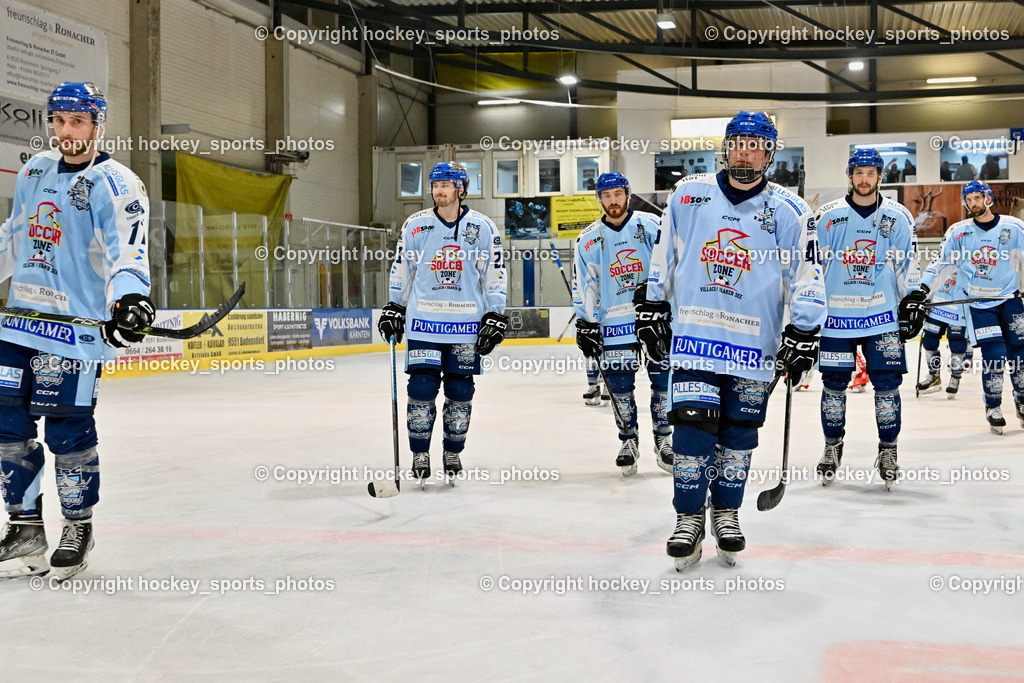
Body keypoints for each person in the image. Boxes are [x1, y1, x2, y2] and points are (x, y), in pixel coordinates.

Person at [635, 111, 826, 569]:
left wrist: (804, 329)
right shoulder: (688, 194)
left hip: (754, 346)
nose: (745, 152)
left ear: (770, 153)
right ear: (725, 148)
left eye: (754, 145)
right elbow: (664, 253)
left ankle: (725, 513)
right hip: (696, 339)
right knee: (692, 431)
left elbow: (807, 274)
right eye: (737, 143)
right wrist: (653, 302)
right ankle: (687, 518)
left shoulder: (791, 210)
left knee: (738, 437)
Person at [0, 82, 153, 580]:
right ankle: (23, 527)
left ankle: (77, 525)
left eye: (78, 122)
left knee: (68, 430)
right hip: (20, 321)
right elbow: (14, 234)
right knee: (8, 429)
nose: (66, 132)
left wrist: (129, 299)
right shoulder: (34, 170)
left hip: (73, 333)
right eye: (59, 121)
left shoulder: (118, 183)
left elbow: (127, 253)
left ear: (97, 124)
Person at [378, 161, 508, 482]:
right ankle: (420, 453)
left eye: (446, 185)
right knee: (421, 388)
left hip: (465, 325)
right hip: (424, 322)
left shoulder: (483, 227)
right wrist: (395, 306)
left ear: (461, 189)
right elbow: (402, 269)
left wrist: (495, 313)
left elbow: (494, 272)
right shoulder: (415, 225)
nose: (439, 190)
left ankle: (452, 451)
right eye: (435, 185)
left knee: (460, 391)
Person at [813, 148, 920, 490]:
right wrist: (805, 310)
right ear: (850, 175)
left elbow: (907, 263)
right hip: (837, 319)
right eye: (858, 172)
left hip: (881, 316)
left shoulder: (897, 216)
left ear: (880, 176)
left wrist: (913, 298)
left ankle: (888, 449)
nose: (864, 179)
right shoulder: (827, 216)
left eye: (870, 173)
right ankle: (832, 446)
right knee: (833, 387)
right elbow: (813, 267)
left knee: (887, 387)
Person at [903, 181, 1024, 434]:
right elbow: (941, 263)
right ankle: (993, 405)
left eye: (978, 198)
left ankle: (1021, 401)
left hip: (1011, 300)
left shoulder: (1014, 227)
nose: (973, 204)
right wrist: (923, 289)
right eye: (969, 200)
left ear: (988, 198)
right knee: (994, 355)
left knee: (1019, 356)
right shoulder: (959, 232)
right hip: (979, 304)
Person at [573, 172, 670, 475]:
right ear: (599, 199)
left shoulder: (652, 226)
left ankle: (664, 441)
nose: (612, 201)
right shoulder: (588, 238)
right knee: (619, 389)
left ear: (627, 194)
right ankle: (629, 439)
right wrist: (586, 323)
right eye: (606, 195)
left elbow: (670, 265)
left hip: (654, 321)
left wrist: (663, 301)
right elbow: (585, 284)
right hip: (614, 325)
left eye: (617, 194)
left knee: (663, 385)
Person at [917, 227, 970, 398]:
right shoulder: (942, 259)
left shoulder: (972, 261)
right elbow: (930, 272)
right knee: (929, 341)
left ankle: (955, 376)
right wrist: (922, 292)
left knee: (957, 344)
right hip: (938, 305)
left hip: (959, 307)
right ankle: (934, 375)